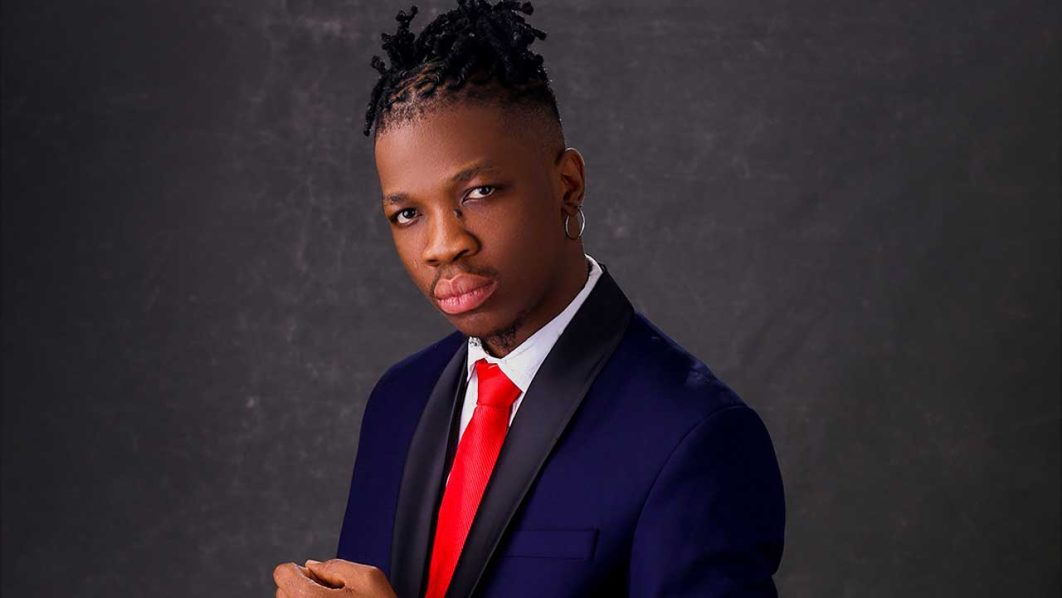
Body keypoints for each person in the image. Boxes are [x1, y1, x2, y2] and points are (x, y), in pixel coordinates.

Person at [273, 1, 785, 596]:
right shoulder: (398, 402)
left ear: (567, 185)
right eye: (408, 214)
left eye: (480, 191)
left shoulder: (693, 435)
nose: (443, 246)